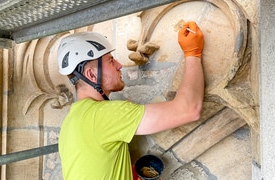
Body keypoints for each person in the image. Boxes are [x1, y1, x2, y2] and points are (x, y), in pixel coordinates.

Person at [57, 21, 204, 180]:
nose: (119, 65)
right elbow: (189, 109)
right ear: (91, 75)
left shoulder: (70, 123)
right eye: (110, 61)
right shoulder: (104, 115)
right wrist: (192, 53)